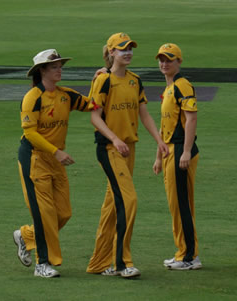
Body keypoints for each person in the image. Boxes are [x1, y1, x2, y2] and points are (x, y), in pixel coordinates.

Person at [86, 33, 169, 278]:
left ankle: (99, 263)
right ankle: (123, 263)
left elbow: (144, 114)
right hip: (110, 148)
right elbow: (94, 116)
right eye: (122, 49)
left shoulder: (135, 80)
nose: (128, 52)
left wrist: (159, 140)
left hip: (129, 148)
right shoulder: (103, 80)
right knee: (128, 200)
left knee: (113, 204)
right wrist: (114, 138)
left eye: (130, 48)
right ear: (111, 53)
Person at [13, 49, 90, 278]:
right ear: (42, 71)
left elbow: (92, 104)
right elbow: (30, 133)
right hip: (35, 158)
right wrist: (56, 152)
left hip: (55, 160)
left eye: (60, 65)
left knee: (64, 213)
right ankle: (42, 264)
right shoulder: (33, 97)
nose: (59, 69)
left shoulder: (66, 95)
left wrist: (103, 76)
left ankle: (26, 236)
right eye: (54, 66)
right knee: (45, 213)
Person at [153, 43, 202, 270]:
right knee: (176, 205)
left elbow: (190, 119)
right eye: (161, 60)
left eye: (169, 60)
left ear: (179, 62)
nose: (164, 64)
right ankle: (182, 251)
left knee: (182, 204)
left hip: (181, 151)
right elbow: (166, 126)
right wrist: (158, 156)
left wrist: (185, 151)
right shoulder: (170, 88)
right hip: (171, 151)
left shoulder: (183, 86)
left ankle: (190, 256)